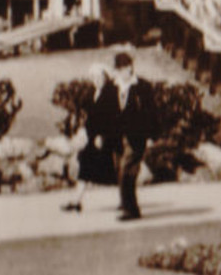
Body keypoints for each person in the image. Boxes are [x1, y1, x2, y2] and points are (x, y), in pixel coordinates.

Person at [89, 50, 155, 221]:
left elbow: (152, 113)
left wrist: (151, 136)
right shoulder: (112, 87)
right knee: (121, 171)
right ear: (117, 70)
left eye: (127, 67)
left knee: (127, 170)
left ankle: (131, 209)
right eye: (121, 68)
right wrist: (97, 134)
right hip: (116, 137)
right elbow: (100, 112)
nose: (126, 71)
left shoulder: (143, 87)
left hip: (136, 137)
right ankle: (126, 204)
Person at [62, 63, 115, 213]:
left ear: (105, 77)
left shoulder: (111, 93)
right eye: (94, 77)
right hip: (92, 138)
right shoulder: (93, 92)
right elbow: (87, 113)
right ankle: (76, 201)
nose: (97, 80)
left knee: (113, 171)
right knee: (85, 167)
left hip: (105, 138)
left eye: (100, 77)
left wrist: (103, 136)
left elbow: (112, 118)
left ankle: (127, 200)